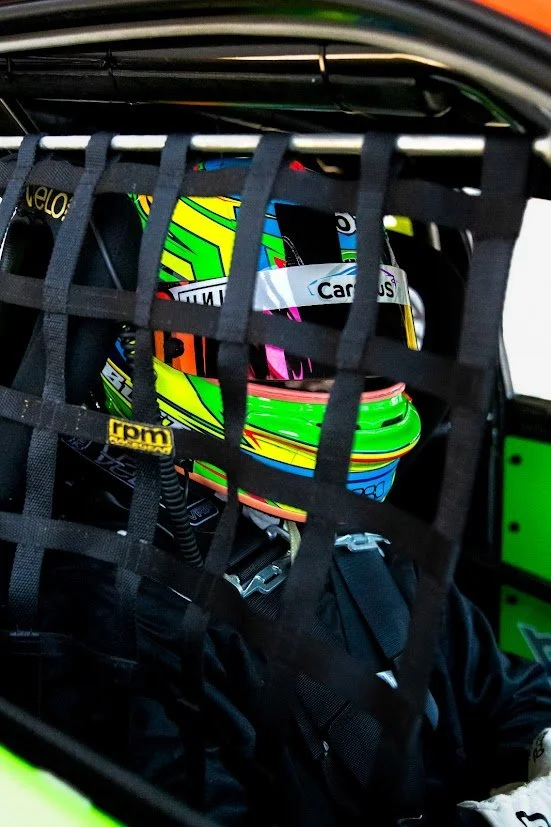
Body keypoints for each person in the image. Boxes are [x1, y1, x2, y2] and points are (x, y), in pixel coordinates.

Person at [3, 157, 551, 827]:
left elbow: (502, 690)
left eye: (366, 339)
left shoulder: (356, 537)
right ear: (148, 355)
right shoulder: (104, 613)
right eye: (297, 358)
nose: (341, 388)